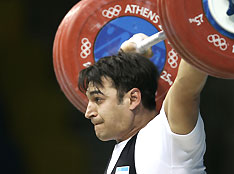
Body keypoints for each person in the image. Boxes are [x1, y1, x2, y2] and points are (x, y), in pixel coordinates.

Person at [78, 34, 208, 174]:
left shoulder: (167, 135)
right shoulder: (121, 149)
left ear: (133, 99)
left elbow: (192, 69)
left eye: (98, 99)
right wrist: (129, 60)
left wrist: (198, 21)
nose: (88, 113)